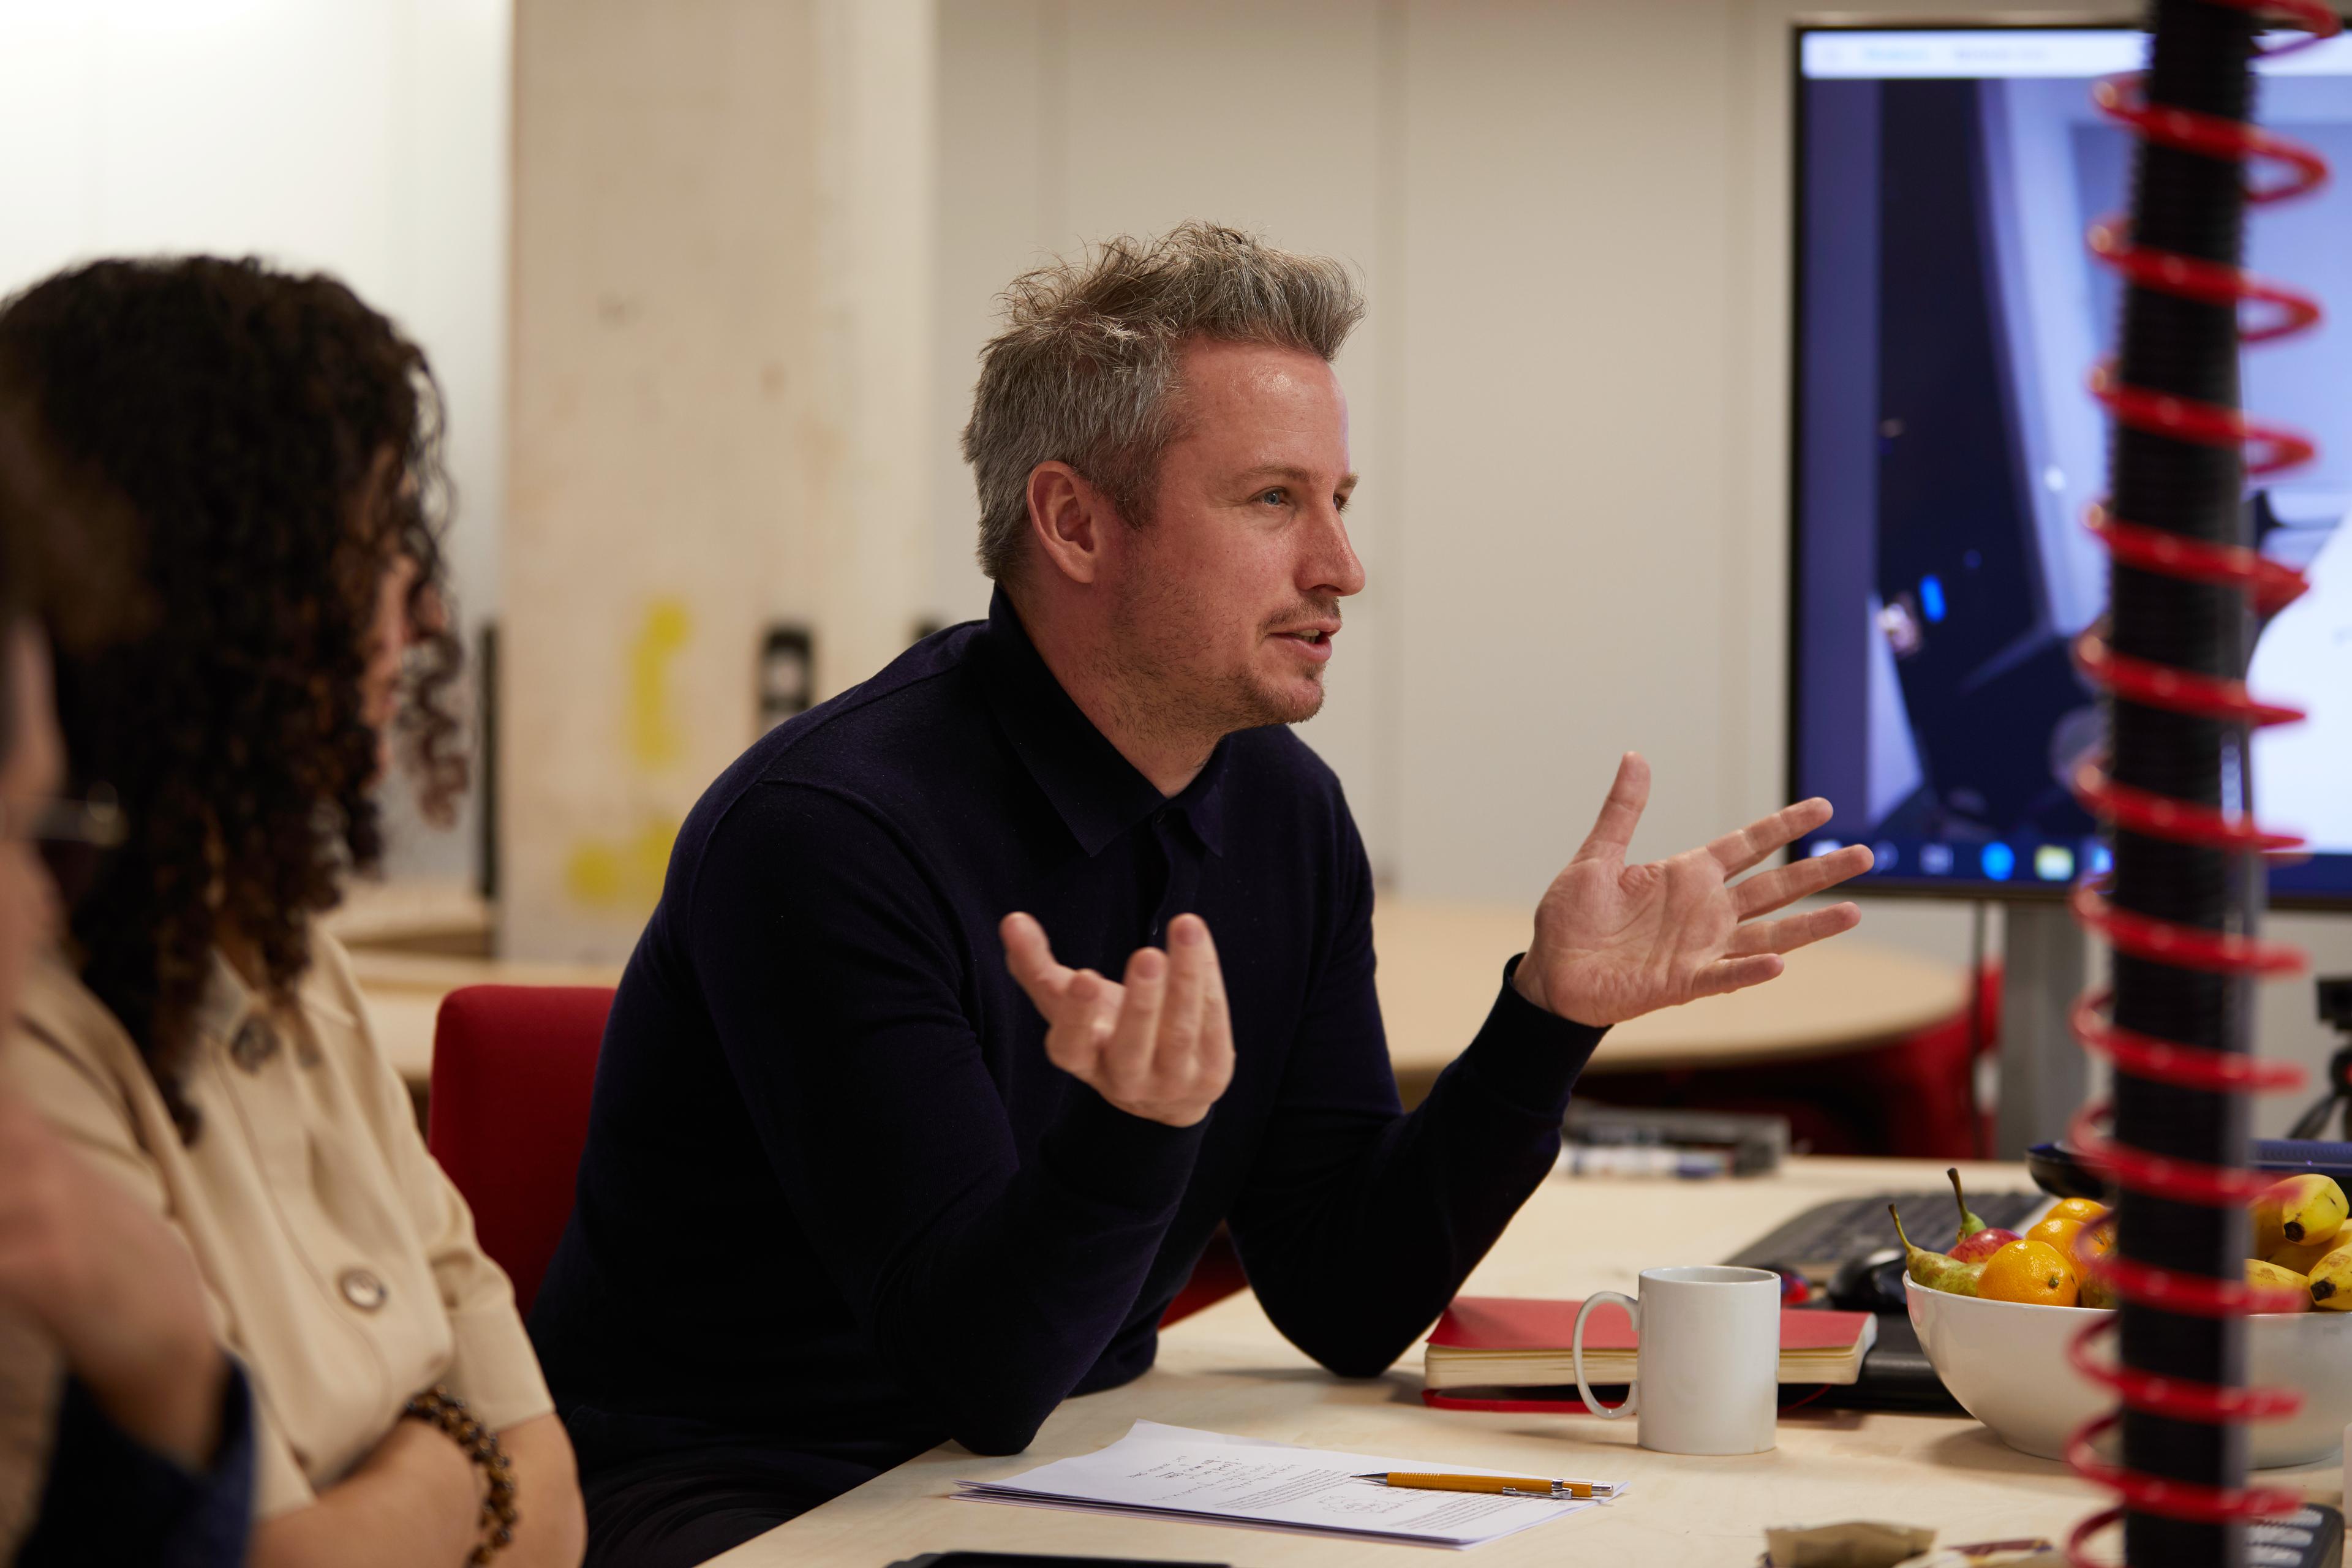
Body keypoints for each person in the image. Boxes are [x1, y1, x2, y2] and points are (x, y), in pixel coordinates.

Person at [530, 222, 1874, 1568]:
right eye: (1274, 500)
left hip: (1060, 1458)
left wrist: (1544, 1019)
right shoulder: (830, 834)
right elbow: (975, 1374)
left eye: (1341, 499)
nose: (1341, 566)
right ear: (1074, 523)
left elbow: (1345, 1296)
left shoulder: (1283, 808)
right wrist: (1135, 1129)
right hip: (742, 1485)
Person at [0, 257, 586, 1568]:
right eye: (374, 549)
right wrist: (459, 1459)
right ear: (225, 596)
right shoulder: (33, 1027)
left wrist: (407, 1493)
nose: (422, 611)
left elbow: (556, 1507)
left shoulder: (283, 951)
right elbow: (258, 1556)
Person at [0, 401, 256, 1566]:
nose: (40, 910)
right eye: (28, 838)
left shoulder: (294, 959)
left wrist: (167, 1377)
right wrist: (168, 1368)